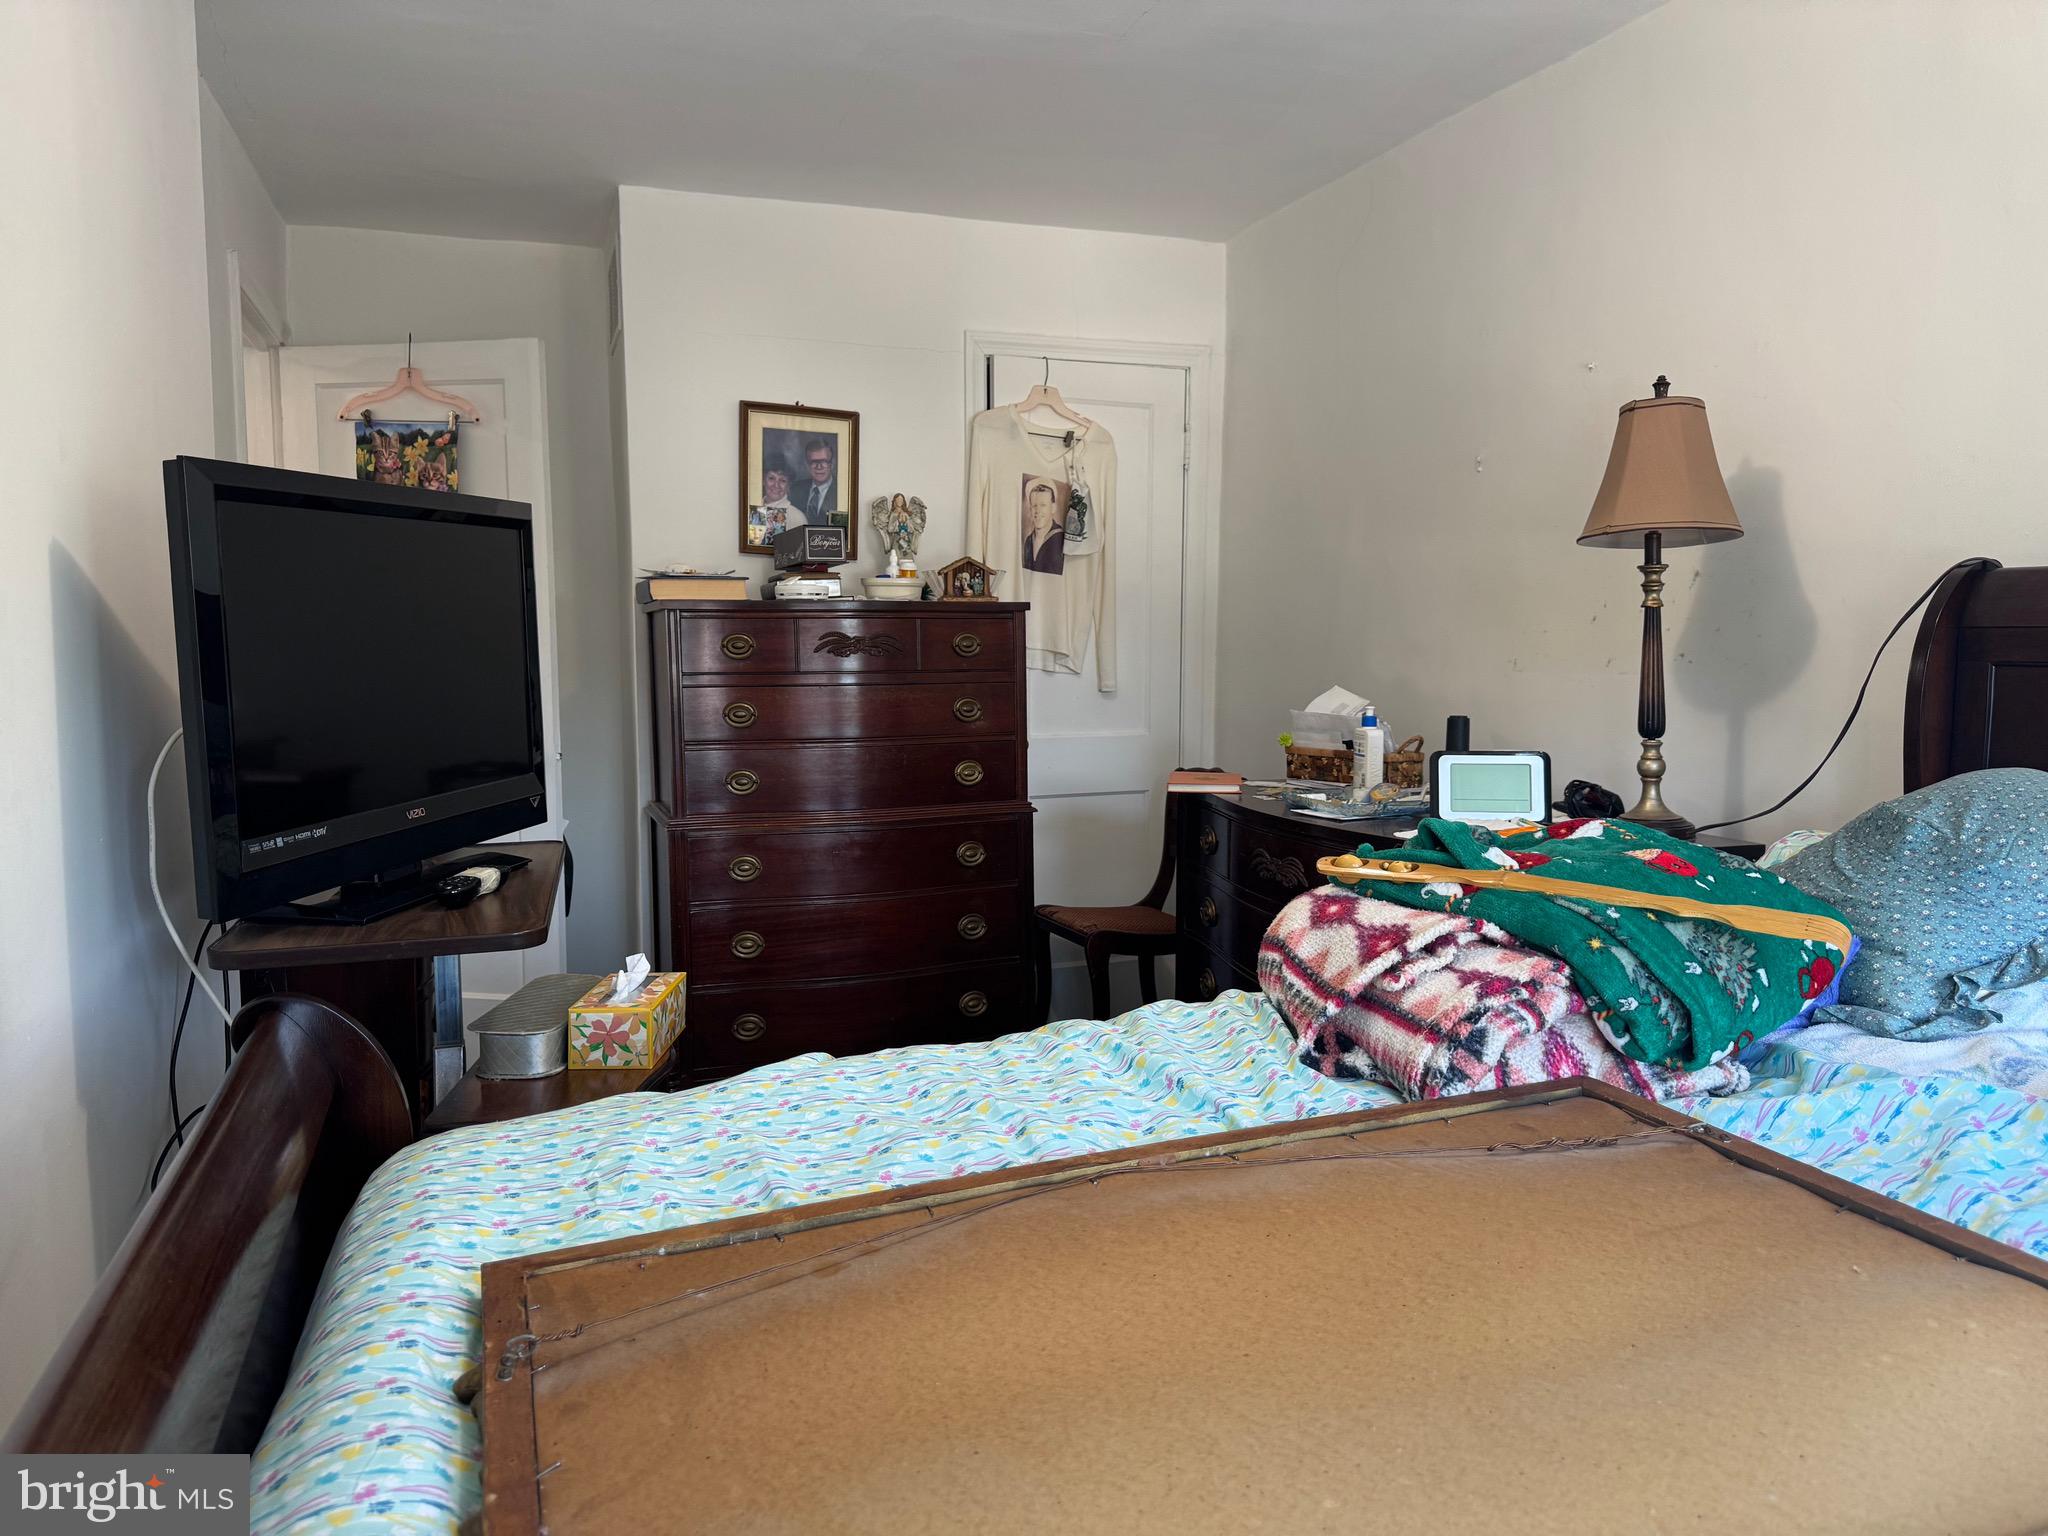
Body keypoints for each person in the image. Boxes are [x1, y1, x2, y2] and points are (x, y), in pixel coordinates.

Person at [1021, 478, 1066, 573]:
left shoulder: (1061, 539)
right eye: (1034, 505)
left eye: (1043, 505)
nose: (1038, 511)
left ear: (1053, 508)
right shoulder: (1029, 541)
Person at [799, 438, 838, 524]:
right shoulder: (795, 490)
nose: (819, 467)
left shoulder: (842, 492)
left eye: (824, 461)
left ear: (832, 464)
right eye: (814, 462)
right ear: (807, 465)